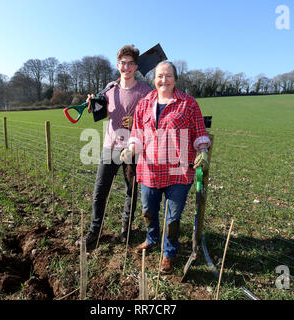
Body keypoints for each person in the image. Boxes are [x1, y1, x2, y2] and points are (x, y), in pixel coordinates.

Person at [120, 61, 211, 274]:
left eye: (168, 75)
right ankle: (151, 239)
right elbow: (137, 134)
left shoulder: (188, 103)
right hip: (149, 170)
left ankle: (168, 254)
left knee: (173, 217)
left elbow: (199, 131)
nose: (163, 80)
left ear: (175, 79)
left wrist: (203, 151)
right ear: (154, 79)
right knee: (148, 211)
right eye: (159, 76)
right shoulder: (144, 103)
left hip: (178, 171)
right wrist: (131, 149)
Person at [76, 45, 152, 247]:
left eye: (130, 63)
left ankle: (125, 231)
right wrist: (92, 102)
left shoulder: (145, 91)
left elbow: (153, 117)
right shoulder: (110, 88)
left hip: (133, 149)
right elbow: (100, 111)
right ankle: (94, 231)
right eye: (122, 63)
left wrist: (136, 121)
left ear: (136, 66)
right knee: (100, 190)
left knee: (131, 192)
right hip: (110, 147)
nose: (126, 67)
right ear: (118, 65)